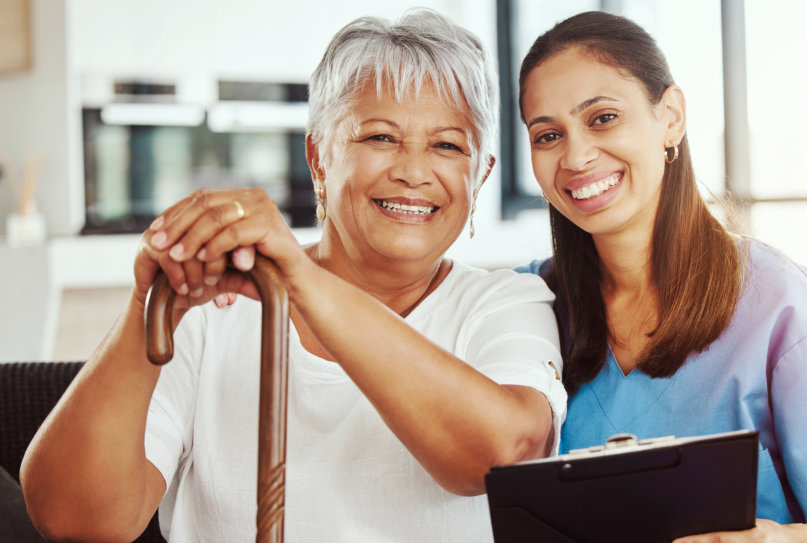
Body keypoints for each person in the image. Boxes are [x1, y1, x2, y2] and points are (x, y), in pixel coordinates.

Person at [21, 9, 565, 542]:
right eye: (379, 137)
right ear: (318, 158)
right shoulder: (214, 308)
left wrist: (301, 282)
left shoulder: (506, 302)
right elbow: (76, 521)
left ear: (482, 175)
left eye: (447, 145)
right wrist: (149, 303)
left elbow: (500, 459)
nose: (413, 171)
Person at [516, 11, 807, 542]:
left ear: (671, 117)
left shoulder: (782, 302)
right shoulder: (523, 307)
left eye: (603, 117)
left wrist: (781, 540)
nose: (577, 156)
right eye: (547, 135)